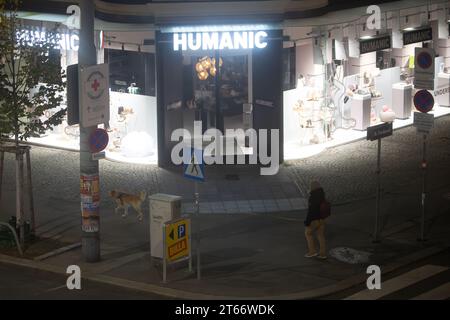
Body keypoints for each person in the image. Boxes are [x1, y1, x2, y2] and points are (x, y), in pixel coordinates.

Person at [304, 180, 327, 259]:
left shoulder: (312, 197)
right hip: (322, 219)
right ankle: (322, 254)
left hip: (314, 220)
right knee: (320, 235)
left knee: (308, 234)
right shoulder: (322, 195)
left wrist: (307, 222)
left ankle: (312, 251)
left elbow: (311, 211)